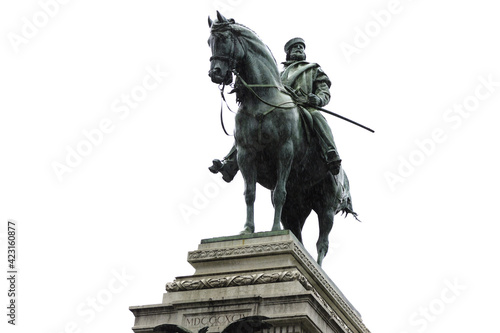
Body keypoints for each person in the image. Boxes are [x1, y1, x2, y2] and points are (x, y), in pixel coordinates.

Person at [209, 38, 341, 182]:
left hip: (304, 106)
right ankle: (230, 163)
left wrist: (318, 99)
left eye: (301, 47)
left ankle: (330, 152)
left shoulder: (313, 69)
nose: (299, 49)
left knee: (317, 117)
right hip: (281, 109)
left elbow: (324, 91)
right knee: (248, 126)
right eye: (295, 47)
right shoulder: (277, 73)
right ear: (288, 53)